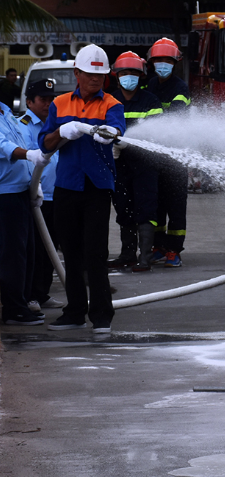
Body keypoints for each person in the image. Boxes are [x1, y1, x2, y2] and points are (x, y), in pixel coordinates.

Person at [39, 44, 126, 333]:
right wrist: (61, 131)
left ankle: (102, 316)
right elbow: (45, 144)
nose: (95, 79)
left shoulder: (112, 104)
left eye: (100, 76)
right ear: (77, 73)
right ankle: (75, 312)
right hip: (67, 185)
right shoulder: (60, 103)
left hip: (97, 187)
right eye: (90, 74)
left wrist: (112, 134)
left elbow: (117, 131)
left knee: (95, 252)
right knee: (71, 252)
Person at [108, 51, 164, 273]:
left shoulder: (151, 101)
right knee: (123, 209)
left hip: (145, 165)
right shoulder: (110, 101)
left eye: (133, 72)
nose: (129, 76)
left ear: (141, 76)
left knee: (146, 208)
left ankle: (145, 257)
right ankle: (127, 254)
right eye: (125, 72)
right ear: (117, 75)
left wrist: (127, 143)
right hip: (118, 166)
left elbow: (159, 133)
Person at [0, 89, 48, 326]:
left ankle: (22, 301)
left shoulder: (6, 112)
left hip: (20, 192)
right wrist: (29, 155)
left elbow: (18, 139)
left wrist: (32, 182)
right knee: (12, 255)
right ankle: (13, 309)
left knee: (26, 253)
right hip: (5, 194)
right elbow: (4, 146)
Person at [18, 79, 64, 312]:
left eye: (50, 99)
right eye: (42, 100)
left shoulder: (57, 123)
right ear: (29, 102)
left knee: (51, 248)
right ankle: (30, 296)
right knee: (33, 249)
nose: (48, 104)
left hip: (57, 195)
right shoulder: (22, 126)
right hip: (36, 198)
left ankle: (42, 293)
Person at [144, 38, 189, 268]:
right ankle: (159, 247)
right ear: (151, 63)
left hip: (176, 156)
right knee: (157, 204)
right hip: (154, 156)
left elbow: (177, 117)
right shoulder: (150, 85)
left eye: (167, 60)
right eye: (158, 60)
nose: (162, 64)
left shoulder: (180, 88)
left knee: (176, 205)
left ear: (175, 62)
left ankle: (174, 250)